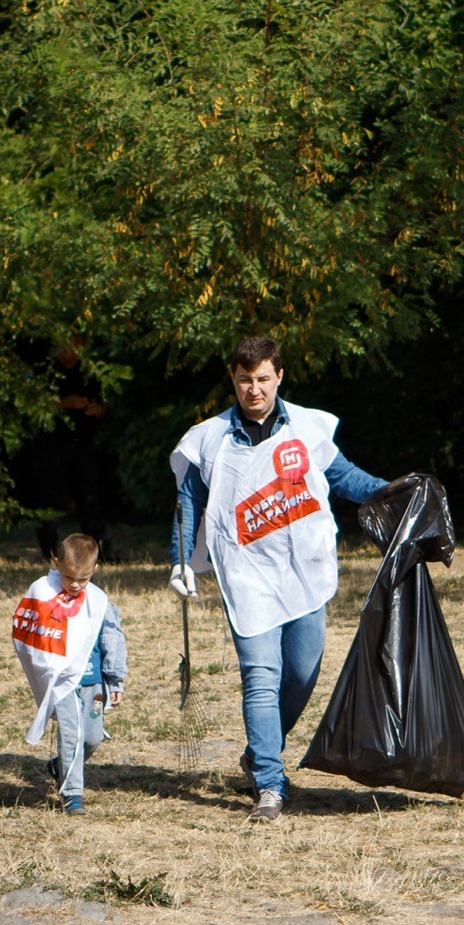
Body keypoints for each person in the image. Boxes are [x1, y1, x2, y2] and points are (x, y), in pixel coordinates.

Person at [169, 336, 388, 821]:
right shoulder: (209, 438)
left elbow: (344, 477)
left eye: (263, 379)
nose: (254, 389)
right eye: (245, 380)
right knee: (260, 678)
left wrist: (392, 492)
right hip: (245, 575)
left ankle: (257, 751)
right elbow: (189, 502)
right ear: (233, 378)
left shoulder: (307, 427)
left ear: (279, 377)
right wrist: (180, 559)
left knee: (303, 672)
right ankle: (270, 782)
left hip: (303, 571)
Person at [10, 533, 126, 815]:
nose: (74, 584)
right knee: (71, 733)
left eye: (83, 579)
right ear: (56, 563)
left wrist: (115, 679)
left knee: (92, 737)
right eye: (68, 577)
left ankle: (61, 764)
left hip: (95, 684)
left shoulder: (99, 602)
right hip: (64, 683)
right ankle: (72, 794)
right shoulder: (43, 593)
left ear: (94, 570)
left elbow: (113, 640)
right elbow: (29, 633)